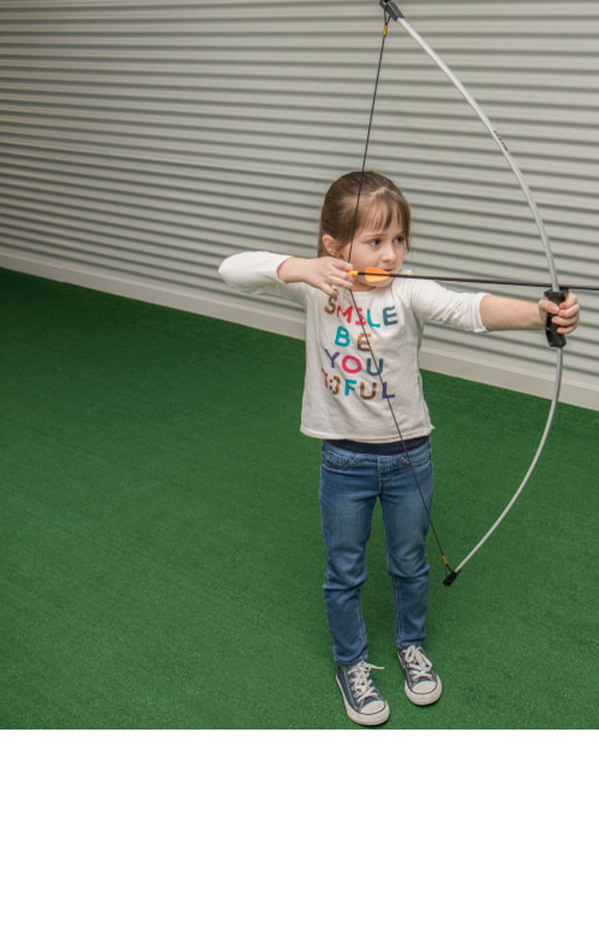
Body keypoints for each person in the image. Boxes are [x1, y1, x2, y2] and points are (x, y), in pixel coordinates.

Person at [218, 171, 580, 726]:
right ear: (334, 246)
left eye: (400, 239)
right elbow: (231, 269)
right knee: (344, 569)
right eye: (375, 241)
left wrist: (540, 314)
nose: (390, 254)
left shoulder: (409, 289)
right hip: (344, 461)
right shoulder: (316, 285)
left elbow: (470, 308)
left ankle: (411, 646)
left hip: (410, 457)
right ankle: (351, 662)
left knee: (409, 563)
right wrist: (300, 268)